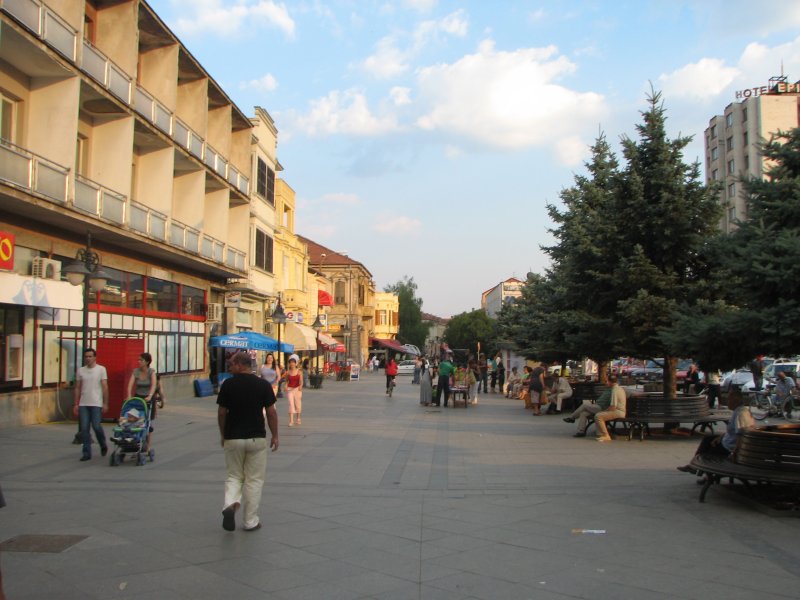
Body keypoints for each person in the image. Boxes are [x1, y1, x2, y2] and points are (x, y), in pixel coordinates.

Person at [217, 351, 278, 532]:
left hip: (233, 437)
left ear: (240, 365)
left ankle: (230, 504)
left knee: (234, 476)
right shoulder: (263, 385)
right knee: (254, 480)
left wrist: (223, 434)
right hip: (256, 438)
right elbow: (271, 413)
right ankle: (250, 521)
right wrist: (275, 435)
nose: (229, 367)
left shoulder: (228, 385)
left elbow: (221, 412)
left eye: (232, 364)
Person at [677, 392, 755, 473]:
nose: (727, 402)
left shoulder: (741, 414)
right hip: (727, 441)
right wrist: (721, 437)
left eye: (729, 399)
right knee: (707, 439)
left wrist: (735, 452)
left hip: (729, 447)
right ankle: (694, 466)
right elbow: (732, 432)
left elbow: (741, 435)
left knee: (708, 453)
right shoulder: (738, 411)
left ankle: (700, 470)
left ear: (736, 400)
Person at [74, 348, 109, 461]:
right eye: (86, 357)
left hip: (96, 403)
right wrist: (76, 404)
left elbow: (105, 387)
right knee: (84, 429)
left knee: (96, 426)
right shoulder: (81, 370)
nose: (88, 359)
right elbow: (77, 387)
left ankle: (103, 444)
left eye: (90, 356)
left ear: (95, 357)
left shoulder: (101, 369)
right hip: (84, 403)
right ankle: (86, 453)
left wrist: (105, 403)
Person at [126, 352, 157, 449]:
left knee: (147, 421)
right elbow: (130, 385)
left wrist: (150, 395)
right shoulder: (136, 371)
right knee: (135, 419)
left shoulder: (151, 372)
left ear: (147, 362)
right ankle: (136, 442)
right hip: (138, 397)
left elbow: (153, 385)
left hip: (148, 398)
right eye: (138, 360)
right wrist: (129, 396)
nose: (138, 361)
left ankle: (148, 445)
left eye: (141, 360)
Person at [594, 376, 626, 442]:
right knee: (600, 414)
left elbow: (613, 406)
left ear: (610, 382)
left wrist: (605, 411)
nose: (606, 383)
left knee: (598, 416)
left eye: (607, 381)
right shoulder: (620, 388)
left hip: (618, 412)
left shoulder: (614, 390)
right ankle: (601, 434)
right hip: (621, 411)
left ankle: (606, 435)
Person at [284, 356, 303, 426]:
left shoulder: (299, 372)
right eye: (290, 363)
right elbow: (286, 381)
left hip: (297, 389)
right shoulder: (288, 372)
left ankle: (298, 418)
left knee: (298, 404)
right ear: (289, 364)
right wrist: (285, 386)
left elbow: (301, 381)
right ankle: (291, 420)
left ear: (295, 363)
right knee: (291, 404)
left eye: (293, 362)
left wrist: (300, 386)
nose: (292, 364)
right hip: (290, 389)